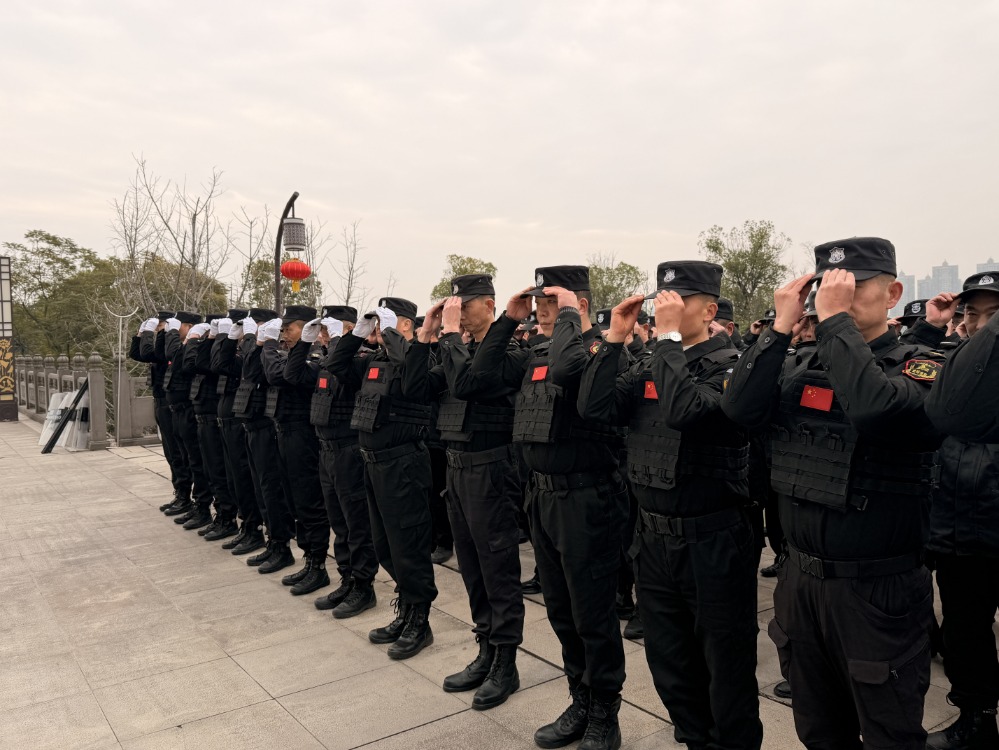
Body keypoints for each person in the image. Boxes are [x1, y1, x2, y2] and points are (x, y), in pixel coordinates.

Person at [721, 237, 946, 750]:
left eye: (852, 288)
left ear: (893, 294)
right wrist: (779, 330)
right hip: (801, 581)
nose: (834, 299)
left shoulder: (921, 365)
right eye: (827, 288)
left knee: (890, 733)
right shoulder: (801, 364)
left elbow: (874, 408)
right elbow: (738, 411)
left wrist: (836, 323)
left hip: (877, 590)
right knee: (819, 728)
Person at [579, 261, 762, 750]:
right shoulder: (651, 362)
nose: (665, 308)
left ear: (708, 311)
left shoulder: (731, 366)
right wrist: (614, 339)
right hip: (653, 540)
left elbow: (684, 411)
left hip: (713, 539)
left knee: (725, 669)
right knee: (670, 663)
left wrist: (666, 341)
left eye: (677, 301)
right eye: (662, 300)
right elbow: (594, 408)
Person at [475, 266, 629, 750]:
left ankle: (604, 710)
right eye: (538, 304)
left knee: (592, 615)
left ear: (578, 305)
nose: (540, 312)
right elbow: (480, 374)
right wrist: (507, 319)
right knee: (561, 611)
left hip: (587, 498)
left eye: (551, 303)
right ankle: (580, 697)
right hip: (541, 496)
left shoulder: (601, 349)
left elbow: (568, 369)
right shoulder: (536, 352)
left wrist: (567, 318)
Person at [410, 274, 525, 710]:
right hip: (457, 471)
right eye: (453, 305)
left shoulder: (510, 353)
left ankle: (506, 661)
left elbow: (467, 384)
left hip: (491, 469)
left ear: (489, 305)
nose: (457, 312)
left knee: (497, 568)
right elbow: (414, 388)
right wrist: (425, 336)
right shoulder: (460, 350)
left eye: (465, 305)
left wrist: (449, 337)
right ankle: (486, 649)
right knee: (472, 568)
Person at [327, 297, 438, 660]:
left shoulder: (420, 357)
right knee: (385, 545)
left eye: (385, 323)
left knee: (409, 546)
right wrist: (356, 334)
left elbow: (415, 379)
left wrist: (393, 335)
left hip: (404, 465)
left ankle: (420, 621)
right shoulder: (372, 361)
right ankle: (405, 609)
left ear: (405, 325)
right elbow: (335, 364)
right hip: (373, 464)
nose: (378, 329)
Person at [923, 272, 999, 749]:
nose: (979, 324)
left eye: (993, 315)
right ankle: (977, 720)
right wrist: (931, 326)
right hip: (957, 534)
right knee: (965, 635)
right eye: (972, 313)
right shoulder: (950, 368)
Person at [292, 306, 379, 618]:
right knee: (339, 523)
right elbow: (292, 374)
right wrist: (304, 342)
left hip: (349, 449)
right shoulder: (323, 362)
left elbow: (345, 367)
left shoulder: (360, 359)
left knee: (357, 523)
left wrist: (346, 339)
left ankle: (364, 586)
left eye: (330, 329)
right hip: (326, 450)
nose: (324, 336)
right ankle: (347, 578)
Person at [260, 305, 331, 592]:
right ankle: (309, 558)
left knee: (309, 500)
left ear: (304, 328)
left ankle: (319, 564)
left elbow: (282, 375)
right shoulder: (291, 355)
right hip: (285, 433)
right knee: (294, 501)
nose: (283, 335)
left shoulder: (316, 355)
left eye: (288, 329)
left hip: (305, 435)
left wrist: (266, 344)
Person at [231, 309, 297, 569]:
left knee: (271, 489)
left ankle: (281, 544)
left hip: (268, 426)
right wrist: (254, 341)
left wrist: (258, 341)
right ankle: (272, 540)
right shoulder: (263, 346)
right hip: (252, 426)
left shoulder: (280, 348)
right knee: (260, 488)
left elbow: (263, 374)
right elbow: (248, 371)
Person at [209, 309, 263, 552]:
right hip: (228, 422)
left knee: (245, 479)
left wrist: (251, 337)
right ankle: (245, 525)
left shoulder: (262, 352)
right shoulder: (240, 350)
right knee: (233, 478)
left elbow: (250, 368)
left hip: (245, 423)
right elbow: (217, 364)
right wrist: (226, 338)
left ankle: (254, 529)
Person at [183, 315, 240, 537]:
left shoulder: (231, 351)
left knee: (222, 472)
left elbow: (211, 365)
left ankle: (227, 517)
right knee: (209, 470)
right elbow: (191, 363)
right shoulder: (215, 346)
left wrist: (222, 338)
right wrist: (205, 339)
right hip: (206, 418)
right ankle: (217, 513)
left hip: (218, 419)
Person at [161, 312, 215, 529]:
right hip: (179, 410)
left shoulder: (198, 346)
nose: (174, 330)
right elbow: (157, 353)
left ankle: (203, 507)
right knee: (184, 459)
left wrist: (188, 338)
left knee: (198, 462)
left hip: (190, 410)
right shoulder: (186, 345)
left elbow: (179, 362)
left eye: (179, 326)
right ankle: (191, 501)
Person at [132, 311, 189, 513]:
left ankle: (185, 496)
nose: (157, 329)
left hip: (169, 401)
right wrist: (140, 334)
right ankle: (179, 492)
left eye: (160, 325)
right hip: (159, 400)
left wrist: (153, 333)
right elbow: (137, 354)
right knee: (170, 452)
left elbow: (150, 353)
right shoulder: (164, 342)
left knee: (177, 452)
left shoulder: (171, 344)